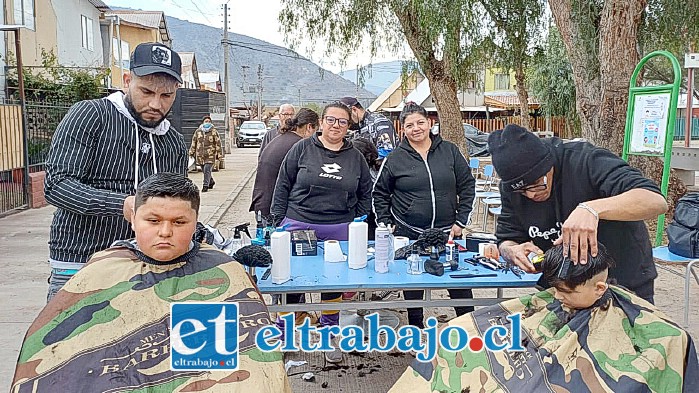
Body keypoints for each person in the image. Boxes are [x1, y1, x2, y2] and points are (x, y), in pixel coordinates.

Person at [12, 173, 291, 392]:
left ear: (196, 223)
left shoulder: (216, 273)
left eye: (179, 222)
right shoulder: (102, 271)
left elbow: (212, 368)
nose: (165, 232)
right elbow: (63, 364)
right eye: (153, 220)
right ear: (134, 219)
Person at [389, 243, 699, 393]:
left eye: (565, 292)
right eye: (556, 290)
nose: (558, 298)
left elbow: (677, 342)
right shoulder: (556, 298)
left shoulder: (649, 332)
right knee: (459, 331)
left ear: (600, 288)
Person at [43, 42, 188, 301]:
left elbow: (177, 204)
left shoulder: (174, 141)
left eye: (166, 96)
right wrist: (122, 204)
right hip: (80, 262)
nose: (156, 103)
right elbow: (56, 186)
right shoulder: (90, 115)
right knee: (73, 340)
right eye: (146, 91)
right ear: (126, 80)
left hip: (146, 268)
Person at [489, 124, 667, 303]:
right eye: (522, 190)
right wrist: (511, 251)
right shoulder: (514, 188)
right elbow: (507, 238)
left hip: (623, 281)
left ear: (548, 164)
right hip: (562, 290)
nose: (531, 194)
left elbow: (655, 201)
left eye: (537, 183)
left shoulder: (586, 160)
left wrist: (592, 210)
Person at [270, 102, 373, 363]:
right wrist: (278, 217)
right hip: (298, 222)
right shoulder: (301, 148)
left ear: (349, 126)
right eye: (331, 120)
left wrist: (354, 216)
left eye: (342, 122)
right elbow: (283, 183)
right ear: (321, 123)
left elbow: (365, 191)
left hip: (338, 227)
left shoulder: (355, 157)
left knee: (333, 284)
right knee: (291, 281)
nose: (336, 125)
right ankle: (285, 335)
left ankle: (329, 335)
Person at [372, 102, 476, 328]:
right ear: (403, 129)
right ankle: (416, 331)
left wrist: (461, 220)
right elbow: (379, 193)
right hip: (410, 233)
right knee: (413, 288)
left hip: (449, 232)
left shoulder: (450, 151)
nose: (416, 128)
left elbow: (468, 185)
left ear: (430, 123)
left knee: (459, 285)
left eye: (420, 122)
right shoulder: (394, 159)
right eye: (409, 125)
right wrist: (385, 222)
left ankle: (469, 331)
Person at [250, 108, 319, 218]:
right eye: (316, 130)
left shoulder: (281, 138)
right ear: (309, 127)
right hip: (274, 209)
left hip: (263, 203)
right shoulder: (299, 146)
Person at [189, 115, 223, 192]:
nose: (207, 123)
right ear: (203, 122)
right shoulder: (198, 131)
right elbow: (194, 142)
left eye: (209, 121)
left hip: (210, 155)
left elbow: (218, 143)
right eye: (206, 121)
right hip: (200, 155)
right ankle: (211, 181)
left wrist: (220, 155)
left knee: (207, 170)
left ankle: (205, 186)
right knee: (205, 171)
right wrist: (191, 152)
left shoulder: (214, 132)